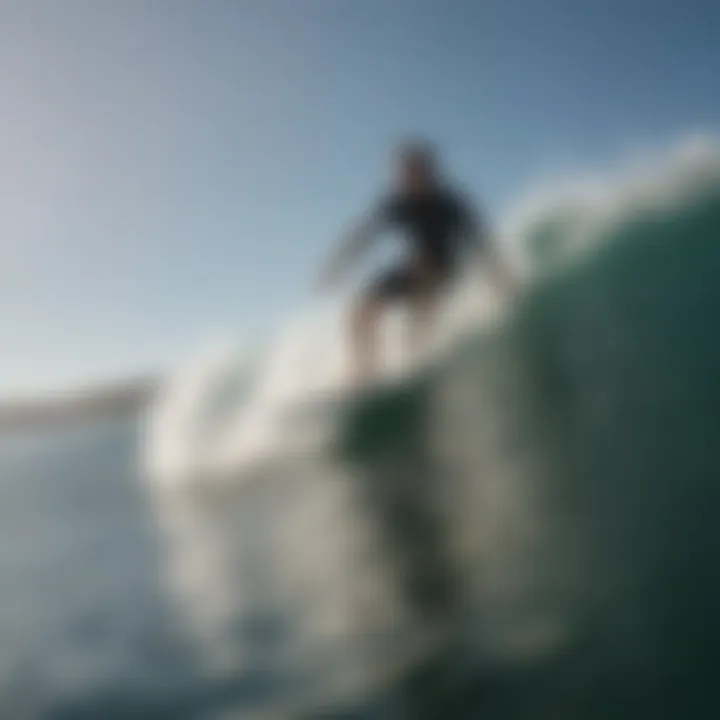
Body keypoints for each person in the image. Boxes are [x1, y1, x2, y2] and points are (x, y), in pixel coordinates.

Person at [317, 141, 512, 384]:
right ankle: (365, 374)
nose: (406, 180)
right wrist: (335, 265)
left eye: (414, 172)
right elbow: (363, 237)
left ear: (429, 173)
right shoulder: (396, 203)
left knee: (420, 317)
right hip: (414, 268)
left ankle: (422, 362)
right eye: (402, 174)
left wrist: (501, 281)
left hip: (445, 270)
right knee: (359, 311)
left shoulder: (451, 204)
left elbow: (481, 245)